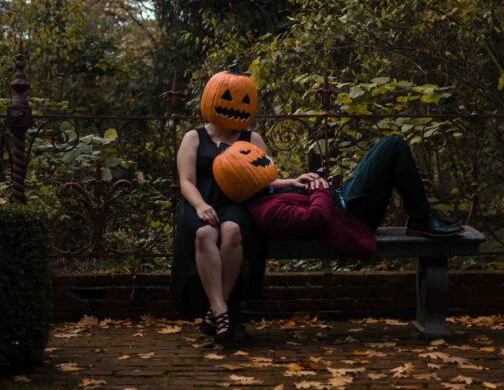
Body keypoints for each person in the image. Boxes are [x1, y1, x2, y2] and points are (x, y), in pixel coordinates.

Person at [173, 71, 314, 344]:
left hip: (237, 203)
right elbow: (186, 182)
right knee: (204, 234)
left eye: (244, 100)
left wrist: (291, 181)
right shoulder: (193, 138)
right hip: (200, 201)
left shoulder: (252, 139)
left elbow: (265, 178)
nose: (234, 104)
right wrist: (201, 206)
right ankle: (223, 311)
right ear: (211, 98)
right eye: (226, 97)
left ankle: (218, 310)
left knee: (233, 231)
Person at [212, 136, 463, 258]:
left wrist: (295, 181)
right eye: (254, 162)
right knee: (393, 146)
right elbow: (317, 218)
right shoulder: (268, 213)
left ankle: (422, 217)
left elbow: (277, 189)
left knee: (385, 146)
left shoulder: (264, 192)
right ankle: (421, 219)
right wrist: (319, 188)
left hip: (343, 199)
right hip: (352, 215)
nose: (263, 160)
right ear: (243, 180)